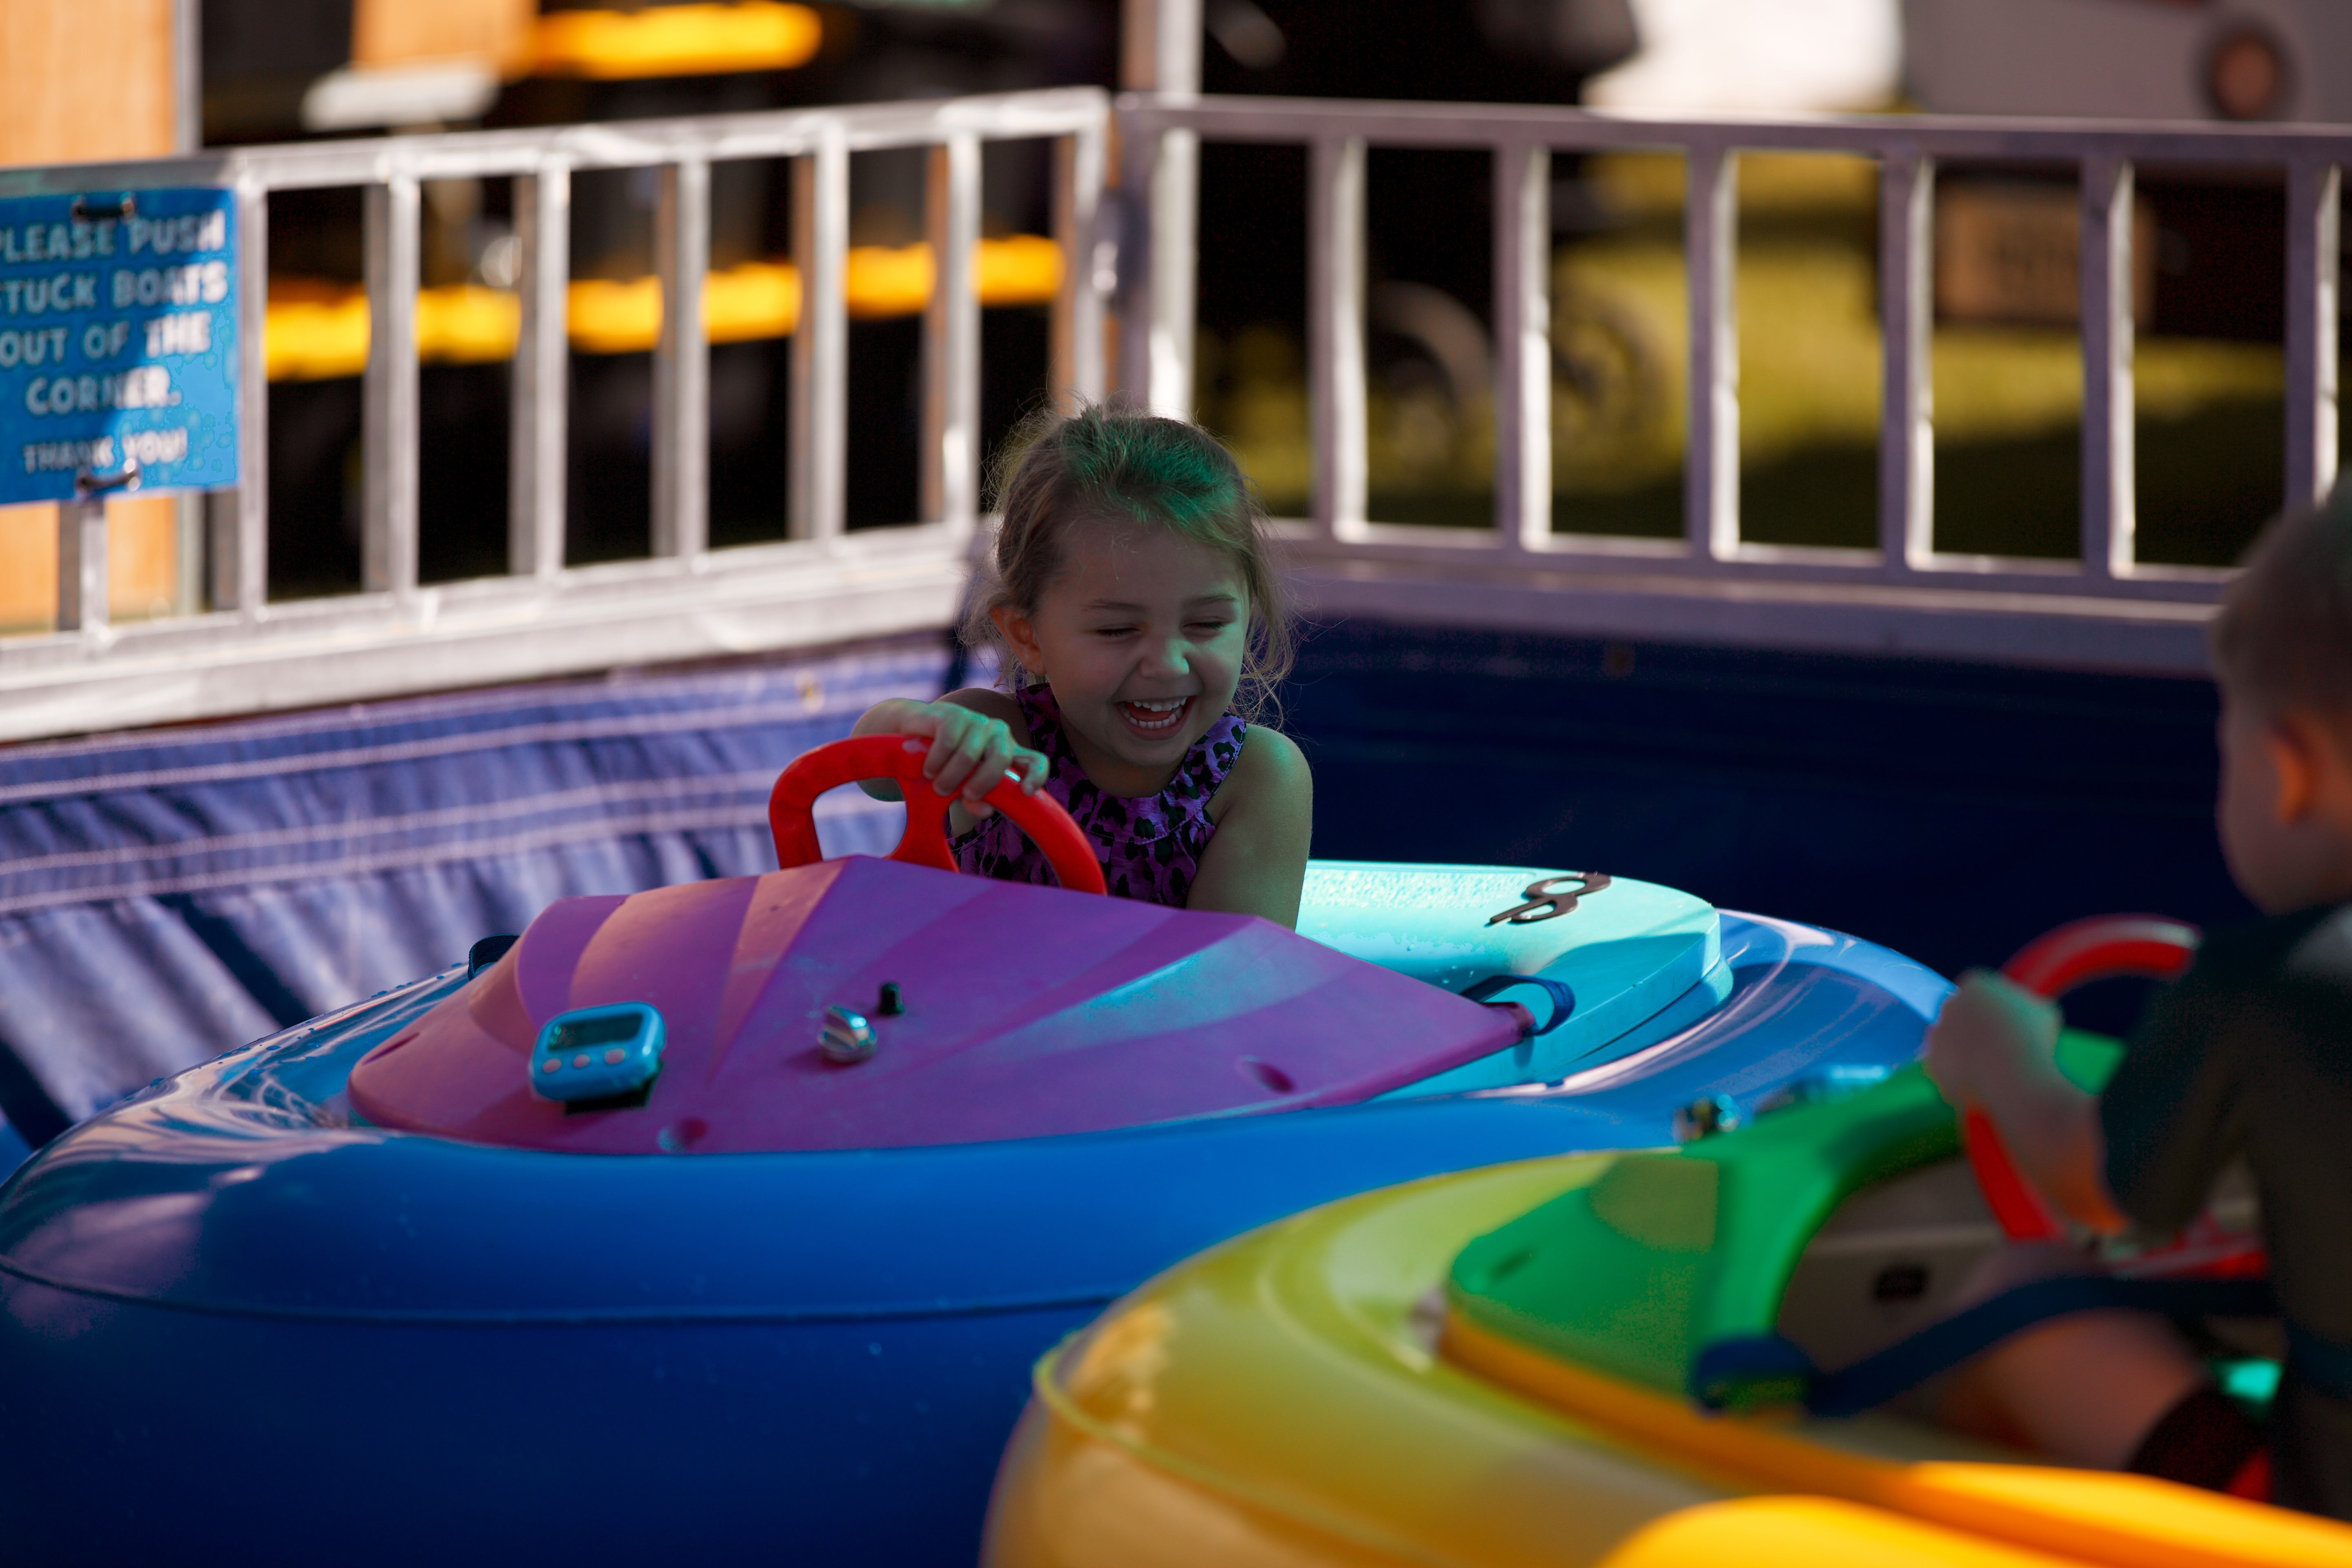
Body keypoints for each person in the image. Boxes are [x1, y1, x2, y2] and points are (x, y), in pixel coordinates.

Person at [1924, 491, 2352, 1519]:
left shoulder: (2264, 982)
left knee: (2023, 1293)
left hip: (2316, 1511)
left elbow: (2094, 1188)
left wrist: (2000, 1055)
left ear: (2286, 771)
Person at [849, 404, 1314, 927]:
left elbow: (1230, 969)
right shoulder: (1002, 743)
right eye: (1117, 630)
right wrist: (926, 728)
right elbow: (874, 771)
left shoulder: (1255, 780)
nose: (1167, 664)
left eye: (1206, 624)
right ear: (1028, 635)